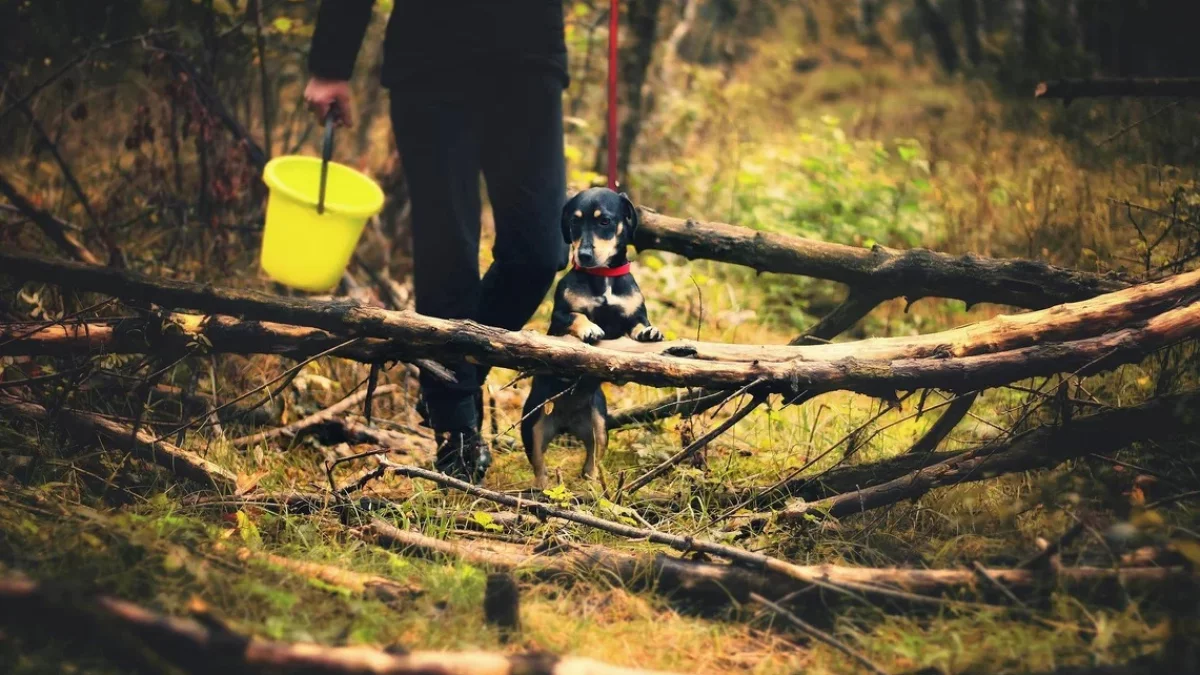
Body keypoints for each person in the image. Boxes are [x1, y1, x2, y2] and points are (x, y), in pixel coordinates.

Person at [304, 2, 570, 484]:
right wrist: (330, 63)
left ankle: (452, 373)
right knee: (447, 244)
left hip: (530, 59)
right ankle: (455, 424)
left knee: (540, 250)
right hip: (432, 57)